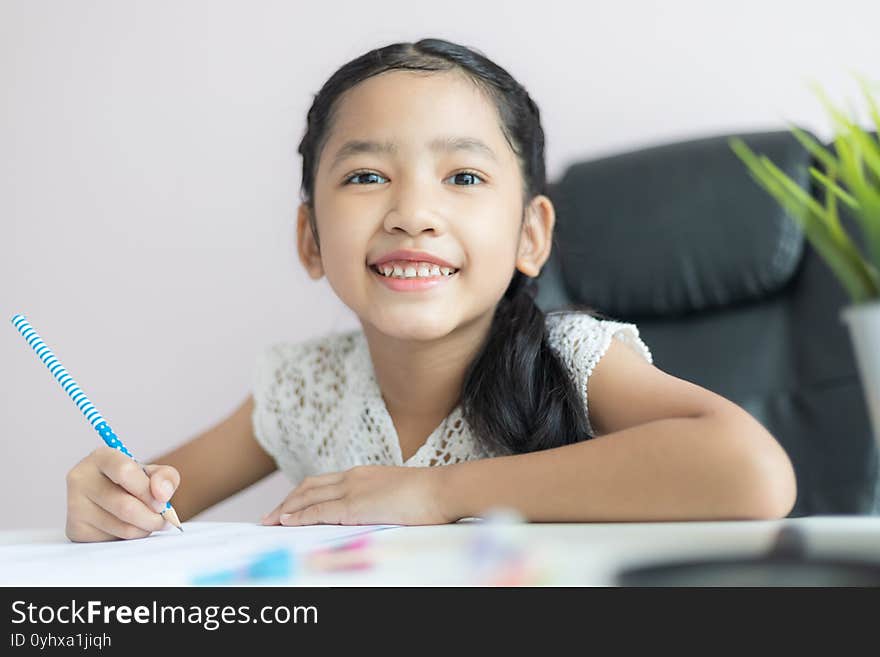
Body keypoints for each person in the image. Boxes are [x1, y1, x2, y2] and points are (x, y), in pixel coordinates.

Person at [64, 38, 797, 542]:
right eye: (365, 176)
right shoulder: (302, 386)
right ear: (310, 239)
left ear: (530, 236)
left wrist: (438, 494)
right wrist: (109, 502)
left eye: (464, 177)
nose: (413, 213)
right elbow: (153, 502)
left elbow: (754, 472)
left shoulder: (571, 356)